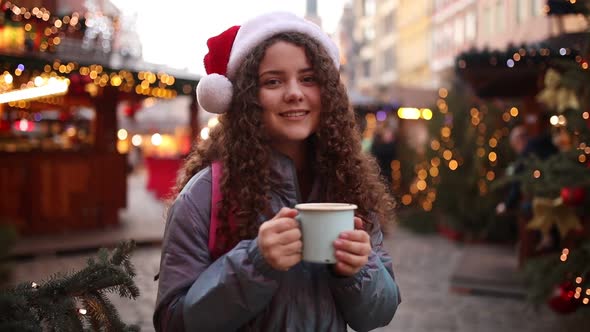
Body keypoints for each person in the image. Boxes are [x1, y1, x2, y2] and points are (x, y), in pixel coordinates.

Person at [153, 11, 401, 332]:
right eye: (273, 81)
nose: (294, 92)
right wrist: (255, 263)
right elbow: (173, 322)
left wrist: (358, 271)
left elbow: (378, 315)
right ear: (246, 98)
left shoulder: (348, 182)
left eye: (309, 78)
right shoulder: (204, 195)